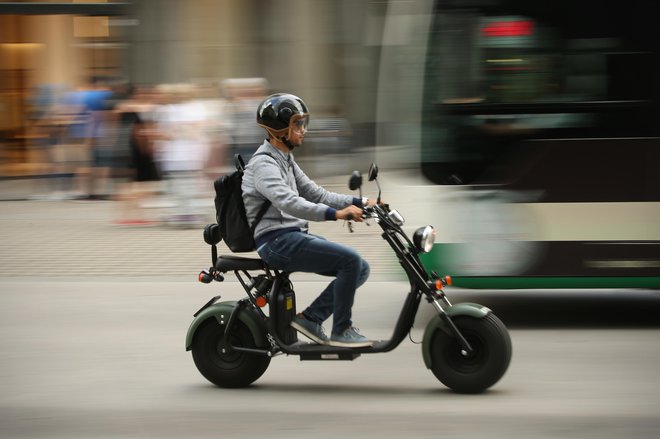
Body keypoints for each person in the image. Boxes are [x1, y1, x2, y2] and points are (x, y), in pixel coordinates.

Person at [242, 93, 375, 348]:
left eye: (303, 123)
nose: (303, 130)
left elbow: (317, 193)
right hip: (276, 242)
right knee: (351, 261)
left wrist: (361, 202)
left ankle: (311, 319)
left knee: (360, 267)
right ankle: (341, 330)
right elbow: (289, 203)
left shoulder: (286, 159)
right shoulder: (263, 164)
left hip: (292, 237)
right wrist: (336, 214)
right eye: (297, 124)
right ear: (279, 129)